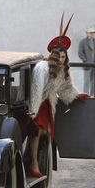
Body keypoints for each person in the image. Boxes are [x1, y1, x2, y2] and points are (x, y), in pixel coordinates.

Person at [28, 13, 89, 178]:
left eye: (64, 56)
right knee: (38, 129)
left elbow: (65, 89)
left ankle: (39, 160)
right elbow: (36, 89)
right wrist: (33, 111)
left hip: (47, 103)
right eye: (59, 56)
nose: (62, 59)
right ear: (54, 55)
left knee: (46, 133)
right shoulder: (42, 67)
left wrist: (77, 96)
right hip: (36, 103)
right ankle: (32, 163)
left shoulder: (62, 70)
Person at [78, 27, 95, 95]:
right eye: (90, 33)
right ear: (87, 33)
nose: (92, 34)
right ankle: (86, 95)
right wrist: (85, 61)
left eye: (93, 33)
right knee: (86, 81)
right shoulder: (83, 42)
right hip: (87, 65)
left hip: (94, 65)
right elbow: (80, 53)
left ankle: (93, 95)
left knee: (94, 82)